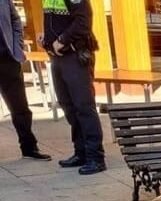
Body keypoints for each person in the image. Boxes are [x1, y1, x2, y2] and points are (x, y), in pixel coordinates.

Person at [40, 0, 105, 175]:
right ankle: (81, 152)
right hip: (58, 58)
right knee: (68, 106)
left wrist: (62, 40)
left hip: (76, 56)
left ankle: (96, 157)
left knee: (84, 107)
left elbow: (83, 22)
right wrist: (46, 38)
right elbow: (55, 21)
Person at [0, 0, 50, 160]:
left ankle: (29, 147)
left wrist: (17, 48)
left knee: (20, 107)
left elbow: (16, 20)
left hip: (7, 59)